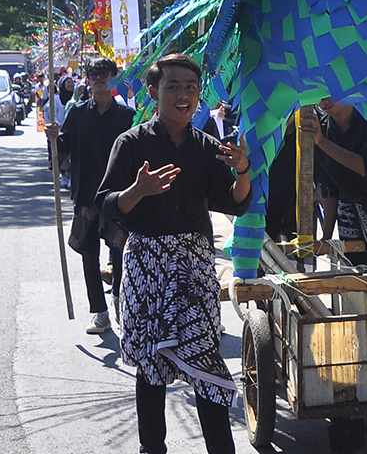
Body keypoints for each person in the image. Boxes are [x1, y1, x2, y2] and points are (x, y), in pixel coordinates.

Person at [96, 53, 253, 454]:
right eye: (173, 87)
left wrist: (242, 171)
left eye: (191, 88)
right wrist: (138, 191)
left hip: (195, 269)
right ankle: (153, 448)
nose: (183, 95)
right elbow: (107, 204)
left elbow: (234, 204)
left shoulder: (207, 146)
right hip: (146, 266)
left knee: (205, 361)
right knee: (151, 370)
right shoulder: (130, 144)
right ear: (153, 92)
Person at [300, 98, 367, 399]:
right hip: (348, 216)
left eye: (331, 94)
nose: (325, 102)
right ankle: (364, 369)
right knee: (355, 293)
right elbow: (329, 190)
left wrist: (320, 142)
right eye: (320, 95)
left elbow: (364, 166)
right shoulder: (320, 128)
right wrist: (325, 237)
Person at [47, 57, 134, 334]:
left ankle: (120, 299)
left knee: (120, 251)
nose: (98, 79)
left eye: (104, 74)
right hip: (86, 193)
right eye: (93, 74)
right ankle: (100, 312)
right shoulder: (78, 113)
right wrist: (54, 138)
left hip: (118, 194)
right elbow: (64, 148)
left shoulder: (126, 117)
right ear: (88, 79)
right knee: (88, 254)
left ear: (113, 77)